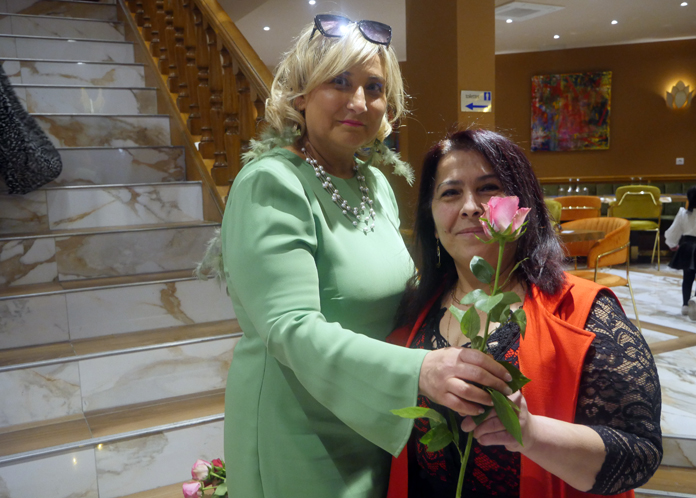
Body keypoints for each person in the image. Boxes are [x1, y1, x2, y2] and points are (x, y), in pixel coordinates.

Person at [216, 17, 512, 498]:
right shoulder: (272, 182)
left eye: (373, 87)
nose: (359, 102)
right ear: (300, 95)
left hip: (374, 413)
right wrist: (418, 370)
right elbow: (289, 327)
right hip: (300, 426)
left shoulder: (373, 182)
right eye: (339, 81)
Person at [386, 129, 663, 498]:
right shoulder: (411, 316)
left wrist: (530, 433)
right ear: (432, 220)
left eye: (488, 188)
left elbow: (641, 453)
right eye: (450, 192)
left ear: (522, 208)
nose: (470, 207)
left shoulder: (582, 311)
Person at [665, 186, 696, 320]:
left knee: (687, 278)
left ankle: (685, 305)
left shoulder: (683, 213)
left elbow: (673, 231)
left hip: (687, 247)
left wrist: (672, 244)